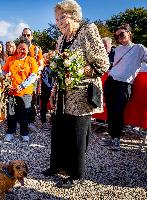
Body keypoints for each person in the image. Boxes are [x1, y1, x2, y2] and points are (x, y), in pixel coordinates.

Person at [42, 0, 110, 188]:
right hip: (63, 94)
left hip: (81, 95)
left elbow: (103, 64)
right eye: (56, 19)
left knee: (77, 135)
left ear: (73, 15)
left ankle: (76, 173)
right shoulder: (61, 38)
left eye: (62, 17)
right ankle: (57, 165)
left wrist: (78, 70)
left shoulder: (88, 30)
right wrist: (54, 88)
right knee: (59, 132)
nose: (59, 22)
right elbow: (59, 66)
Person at [101, 24, 147, 151]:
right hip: (111, 81)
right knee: (110, 111)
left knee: (118, 112)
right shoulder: (118, 50)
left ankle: (117, 140)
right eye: (117, 36)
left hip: (125, 84)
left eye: (122, 34)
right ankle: (112, 138)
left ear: (129, 33)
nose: (119, 37)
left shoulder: (139, 48)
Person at [3, 37, 38, 142]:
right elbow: (4, 71)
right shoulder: (10, 59)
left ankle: (24, 132)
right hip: (12, 91)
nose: (21, 51)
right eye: (19, 48)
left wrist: (22, 86)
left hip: (25, 92)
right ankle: (10, 131)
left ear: (28, 50)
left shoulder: (31, 60)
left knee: (24, 113)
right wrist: (6, 75)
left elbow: (33, 76)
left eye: (24, 49)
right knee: (11, 113)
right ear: (16, 48)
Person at [21, 28, 44, 130]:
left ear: (32, 36)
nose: (26, 37)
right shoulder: (19, 48)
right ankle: (21, 120)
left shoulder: (36, 49)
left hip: (32, 79)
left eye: (28, 35)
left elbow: (41, 65)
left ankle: (31, 121)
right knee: (21, 98)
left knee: (32, 99)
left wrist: (33, 72)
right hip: (21, 77)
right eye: (24, 35)